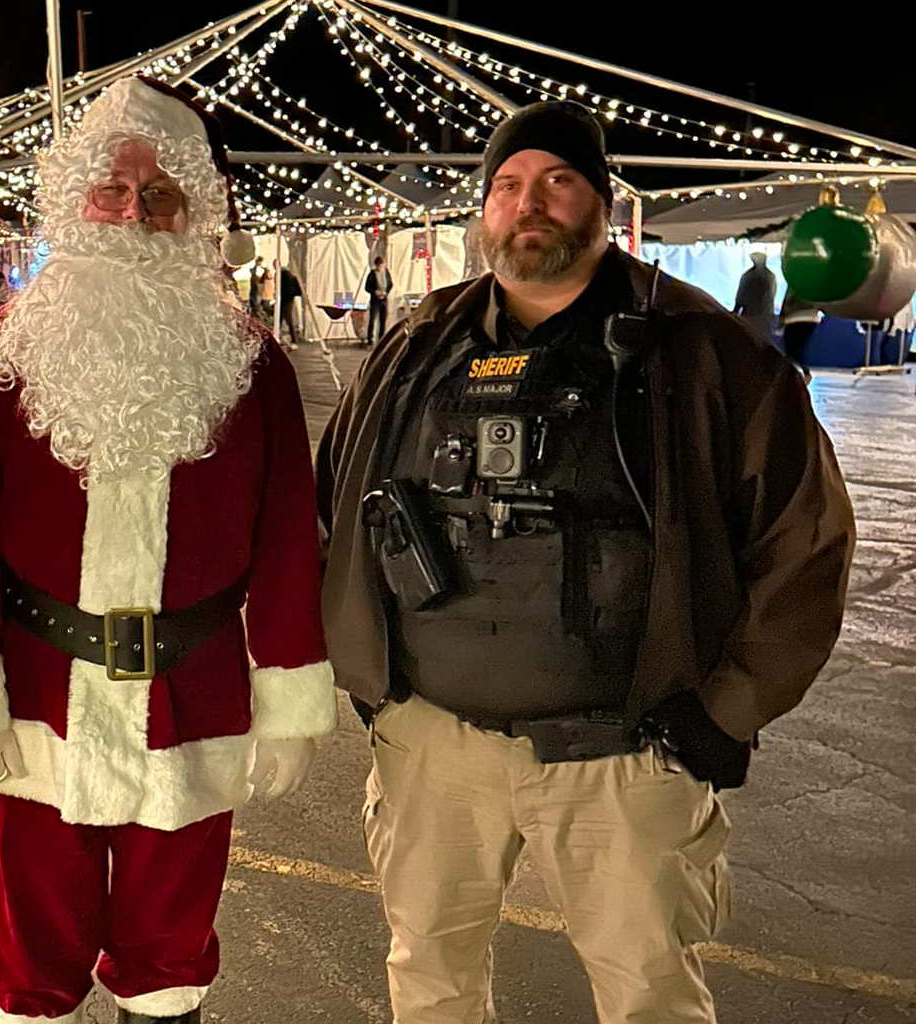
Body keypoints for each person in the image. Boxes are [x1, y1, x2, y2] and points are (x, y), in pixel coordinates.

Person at [315, 101, 856, 1024]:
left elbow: (806, 542)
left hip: (630, 752)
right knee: (430, 983)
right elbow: (338, 499)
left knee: (648, 995)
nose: (531, 204)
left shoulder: (703, 348)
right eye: (509, 186)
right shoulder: (417, 347)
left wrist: (728, 707)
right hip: (432, 746)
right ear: (485, 210)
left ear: (601, 202)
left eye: (558, 181)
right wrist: (369, 677)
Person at [0, 75, 334, 1024]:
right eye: (112, 190)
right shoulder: (0, 352)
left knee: (171, 948)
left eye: (161, 194)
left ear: (195, 212)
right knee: (33, 952)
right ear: (75, 200)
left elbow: (283, 544)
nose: (134, 212)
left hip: (194, 692)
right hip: (34, 691)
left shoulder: (251, 361)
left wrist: (290, 699)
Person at [732, 250, 777, 342]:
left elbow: (740, 297)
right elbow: (772, 295)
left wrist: (735, 311)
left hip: (753, 316)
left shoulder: (748, 275)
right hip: (762, 316)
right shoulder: (770, 276)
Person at [779, 287, 819, 381]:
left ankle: (792, 377)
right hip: (812, 318)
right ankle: (804, 373)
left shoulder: (795, 281)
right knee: (800, 348)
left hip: (795, 318)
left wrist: (782, 316)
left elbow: (789, 299)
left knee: (790, 350)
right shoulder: (815, 281)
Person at [362, 255, 392, 346]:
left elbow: (390, 284)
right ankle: (370, 339)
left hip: (384, 299)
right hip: (375, 300)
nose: (381, 267)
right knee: (373, 319)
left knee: (383, 319)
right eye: (379, 265)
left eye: (382, 265)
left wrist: (386, 292)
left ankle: (381, 338)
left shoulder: (386, 273)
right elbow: (367, 287)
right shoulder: (372, 274)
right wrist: (375, 292)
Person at [276, 262, 303, 348]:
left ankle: (277, 338)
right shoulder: (293, 278)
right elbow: (299, 291)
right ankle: (293, 341)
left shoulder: (280, 278)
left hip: (282, 300)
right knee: (289, 321)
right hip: (289, 300)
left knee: (280, 320)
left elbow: (279, 290)